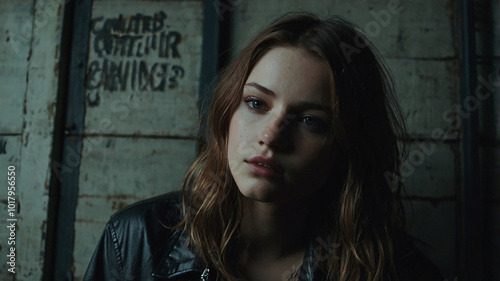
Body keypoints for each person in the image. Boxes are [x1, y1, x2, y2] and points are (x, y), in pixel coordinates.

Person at [83, 13, 444, 281]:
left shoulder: (396, 270)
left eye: (311, 121)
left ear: (347, 147)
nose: (271, 137)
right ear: (227, 111)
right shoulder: (137, 239)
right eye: (256, 103)